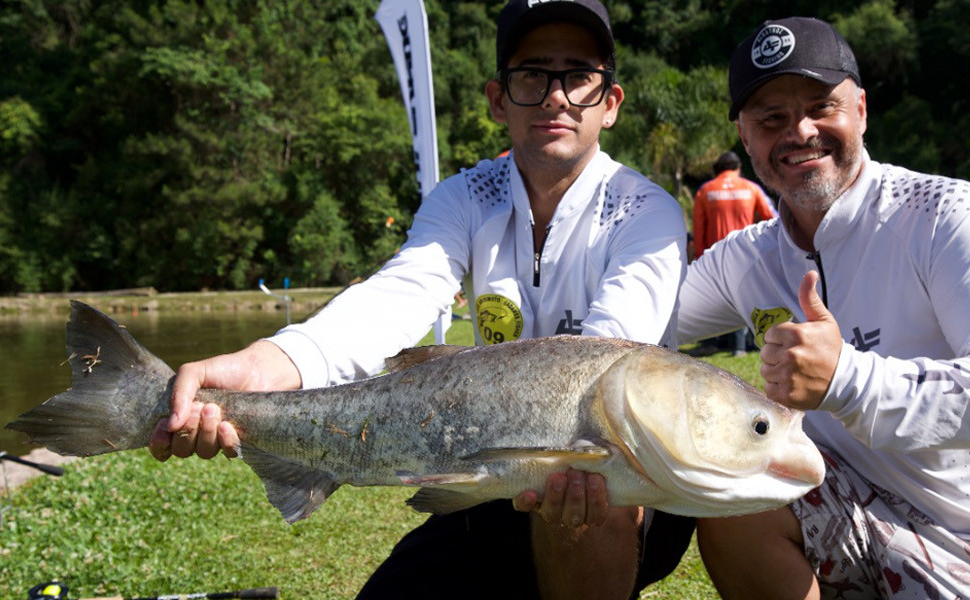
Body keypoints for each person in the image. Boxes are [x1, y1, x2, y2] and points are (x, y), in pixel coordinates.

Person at [149, 1, 693, 598]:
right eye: (532, 74)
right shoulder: (463, 197)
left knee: (591, 487)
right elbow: (400, 294)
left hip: (616, 480)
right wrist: (268, 364)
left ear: (609, 103)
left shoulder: (648, 211)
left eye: (579, 76)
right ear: (497, 99)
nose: (555, 96)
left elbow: (604, 361)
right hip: (492, 478)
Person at [677, 17, 970, 600]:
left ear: (861, 110)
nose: (801, 131)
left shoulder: (946, 215)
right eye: (772, 119)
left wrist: (847, 377)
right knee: (734, 482)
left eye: (822, 106)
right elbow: (639, 326)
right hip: (849, 516)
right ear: (746, 137)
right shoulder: (747, 258)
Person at [691, 151, 774, 261]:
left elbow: (698, 230)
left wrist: (700, 258)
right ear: (738, 168)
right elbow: (773, 219)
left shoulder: (704, 191)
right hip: (746, 256)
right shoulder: (753, 189)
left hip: (715, 260)